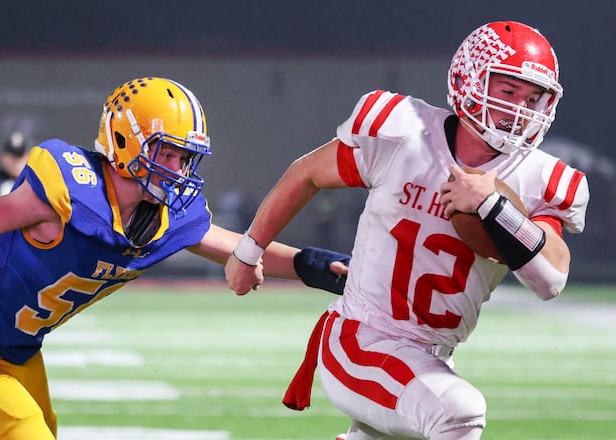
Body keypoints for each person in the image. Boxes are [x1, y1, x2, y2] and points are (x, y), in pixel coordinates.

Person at [0, 77, 347, 440]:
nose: (176, 168)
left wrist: (319, 269)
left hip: (18, 351)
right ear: (125, 142)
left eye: (184, 156)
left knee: (43, 432)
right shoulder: (66, 192)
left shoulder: (166, 215)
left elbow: (246, 249)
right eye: (165, 151)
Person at [225, 22, 589, 440]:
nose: (521, 107)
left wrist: (494, 206)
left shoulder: (539, 178)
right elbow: (305, 174)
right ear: (465, 79)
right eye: (508, 92)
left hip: (431, 358)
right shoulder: (405, 134)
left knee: (443, 411)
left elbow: (551, 279)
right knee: (459, 415)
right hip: (362, 337)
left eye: (534, 97)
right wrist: (248, 252)